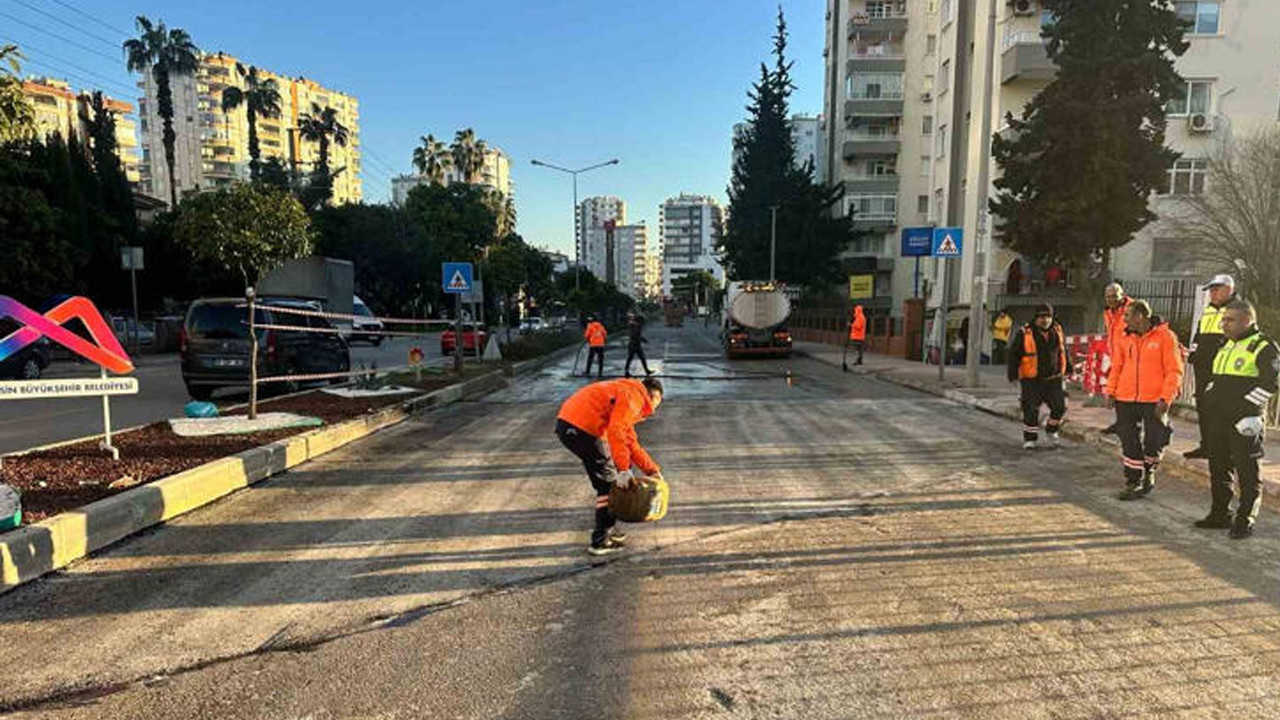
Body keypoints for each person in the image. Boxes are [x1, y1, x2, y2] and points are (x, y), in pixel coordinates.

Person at [1194, 301, 1278, 539]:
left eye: (1230, 320)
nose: (1224, 324)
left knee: (1247, 470)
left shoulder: (1264, 346)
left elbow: (1270, 383)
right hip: (1218, 419)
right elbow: (1215, 378)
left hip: (1245, 421)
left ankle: (1245, 520)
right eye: (1224, 319)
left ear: (1247, 320)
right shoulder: (1226, 344)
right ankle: (1220, 514)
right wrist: (1211, 395)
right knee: (1219, 466)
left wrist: (1246, 408)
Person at [556, 377, 665, 555]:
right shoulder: (634, 397)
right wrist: (623, 469)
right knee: (607, 484)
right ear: (652, 396)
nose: (652, 411)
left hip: (572, 425)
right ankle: (600, 539)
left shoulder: (627, 392)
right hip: (581, 428)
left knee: (609, 479)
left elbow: (630, 442)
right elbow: (615, 431)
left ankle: (609, 528)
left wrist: (652, 470)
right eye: (656, 404)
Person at [1106, 300, 1183, 501]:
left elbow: (1174, 370)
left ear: (1141, 316)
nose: (1124, 319)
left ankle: (1149, 470)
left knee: (1154, 439)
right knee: (1128, 439)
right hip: (1126, 397)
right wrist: (1111, 391)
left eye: (1128, 315)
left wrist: (1167, 398)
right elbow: (1117, 366)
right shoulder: (1124, 337)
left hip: (1154, 399)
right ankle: (1133, 481)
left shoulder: (1166, 337)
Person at [1185, 275, 1238, 459]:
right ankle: (1206, 445)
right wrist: (1193, 354)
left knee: (1220, 408)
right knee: (1203, 406)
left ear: (1229, 289)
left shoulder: (1237, 310)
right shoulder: (1208, 310)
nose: (1212, 293)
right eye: (1211, 290)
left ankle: (1221, 448)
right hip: (1203, 366)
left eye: (1217, 289)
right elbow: (1199, 334)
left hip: (1223, 369)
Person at [1008, 304, 1068, 450]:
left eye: (1048, 316)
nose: (1045, 320)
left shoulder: (1057, 330)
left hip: (1053, 378)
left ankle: (1051, 429)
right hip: (1031, 380)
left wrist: (1069, 368)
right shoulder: (1025, 333)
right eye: (1041, 317)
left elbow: (1063, 350)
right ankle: (1030, 440)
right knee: (1031, 410)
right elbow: (1013, 355)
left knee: (1060, 407)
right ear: (1036, 318)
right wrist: (1013, 375)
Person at [1100, 283, 1133, 435]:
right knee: (1118, 392)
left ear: (1122, 295)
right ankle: (1121, 422)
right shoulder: (1108, 312)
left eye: (1114, 296)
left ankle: (1128, 424)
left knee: (1128, 393)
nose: (1111, 299)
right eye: (1108, 297)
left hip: (1131, 357)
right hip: (1116, 357)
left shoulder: (1131, 309)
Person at [625, 312, 652, 377]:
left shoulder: (636, 325)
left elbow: (637, 335)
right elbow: (634, 335)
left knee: (641, 358)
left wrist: (642, 339)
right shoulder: (635, 325)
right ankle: (626, 371)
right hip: (633, 344)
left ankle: (646, 370)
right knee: (630, 358)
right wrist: (643, 340)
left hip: (636, 344)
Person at [844, 305, 867, 371]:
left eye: (855, 310)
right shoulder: (858, 317)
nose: (854, 311)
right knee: (859, 349)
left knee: (857, 349)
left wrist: (851, 325)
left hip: (858, 336)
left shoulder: (860, 317)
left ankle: (858, 360)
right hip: (857, 336)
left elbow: (858, 326)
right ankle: (859, 360)